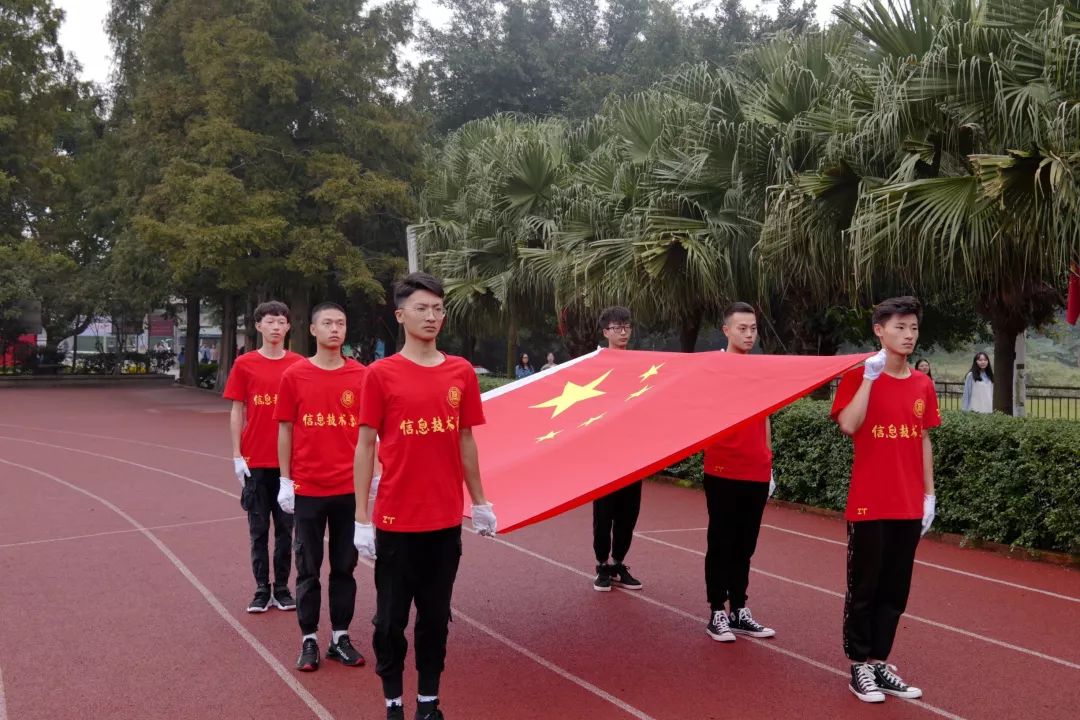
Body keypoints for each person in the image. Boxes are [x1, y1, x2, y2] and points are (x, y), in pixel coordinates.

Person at [352, 272, 497, 720]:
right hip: (396, 521)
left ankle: (429, 703)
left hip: (444, 521)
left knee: (435, 620)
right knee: (389, 622)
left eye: (437, 308)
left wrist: (480, 502)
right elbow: (365, 444)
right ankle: (393, 702)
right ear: (401, 315)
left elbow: (466, 439)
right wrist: (361, 518)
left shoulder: (460, 372)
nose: (431, 316)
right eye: (421, 308)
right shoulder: (380, 374)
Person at [831, 296, 939, 704]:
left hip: (908, 504)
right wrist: (870, 379)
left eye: (913, 328)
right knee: (865, 588)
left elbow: (923, 438)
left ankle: (879, 661)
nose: (909, 335)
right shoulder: (859, 376)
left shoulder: (922, 383)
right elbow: (849, 424)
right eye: (900, 327)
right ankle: (858, 665)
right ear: (879, 331)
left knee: (895, 590)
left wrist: (929, 495)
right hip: (869, 503)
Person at [274, 302, 368, 672]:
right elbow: (285, 428)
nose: (334, 329)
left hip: (348, 488)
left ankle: (340, 637)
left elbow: (370, 433)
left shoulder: (361, 375)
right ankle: (309, 639)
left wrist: (374, 475)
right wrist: (285, 479)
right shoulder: (295, 376)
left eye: (340, 323)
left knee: (345, 566)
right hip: (309, 488)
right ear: (312, 330)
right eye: (327, 323)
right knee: (308, 567)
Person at [702, 302, 777, 643]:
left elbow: (766, 416)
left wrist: (768, 461)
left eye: (753, 329)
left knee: (745, 545)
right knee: (721, 542)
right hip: (722, 468)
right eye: (742, 328)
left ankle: (739, 609)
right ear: (726, 330)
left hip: (756, 470)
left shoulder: (760, 370)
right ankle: (717, 610)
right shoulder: (713, 369)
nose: (749, 334)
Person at [222, 301, 303, 614]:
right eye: (270, 322)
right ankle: (260, 589)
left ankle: (281, 588)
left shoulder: (298, 365)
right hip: (255, 461)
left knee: (285, 530)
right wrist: (236, 454)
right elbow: (237, 410)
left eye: (281, 322)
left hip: (288, 466)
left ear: (288, 327)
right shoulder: (245, 364)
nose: (276, 327)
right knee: (258, 531)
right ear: (258, 326)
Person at [590, 306, 643, 592]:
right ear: (605, 332)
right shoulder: (594, 365)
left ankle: (618, 562)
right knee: (604, 515)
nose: (623, 332)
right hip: (604, 456)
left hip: (633, 455)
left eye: (626, 326)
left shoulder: (640, 365)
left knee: (628, 514)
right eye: (616, 327)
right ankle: (602, 565)